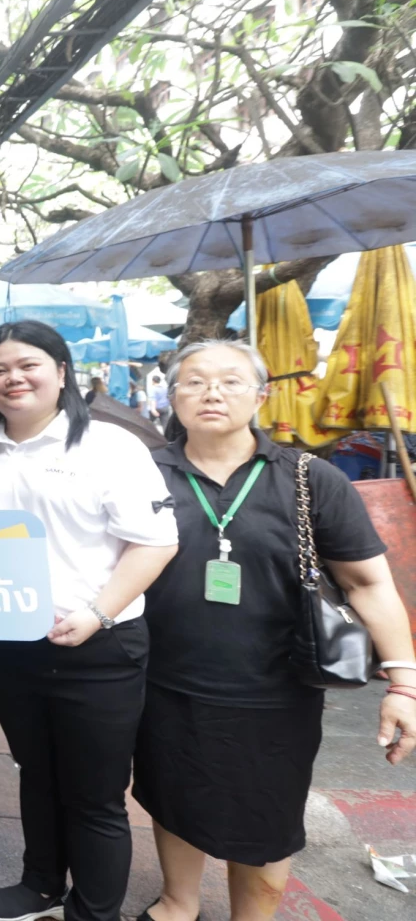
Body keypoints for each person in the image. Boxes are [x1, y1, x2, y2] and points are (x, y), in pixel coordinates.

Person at [135, 340, 416, 921]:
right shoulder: (143, 475)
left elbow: (368, 583)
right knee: (173, 793)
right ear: (173, 395)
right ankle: (177, 903)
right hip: (164, 680)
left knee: (268, 814)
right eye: (194, 381)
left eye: (232, 381)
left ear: (262, 396)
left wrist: (404, 683)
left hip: (278, 689)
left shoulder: (312, 479)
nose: (212, 392)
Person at [0, 321, 178, 921]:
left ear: (62, 372)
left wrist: (97, 614)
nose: (12, 378)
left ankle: (93, 912)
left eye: (28, 365)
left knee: (95, 795)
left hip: (100, 647)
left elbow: (155, 543)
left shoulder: (109, 446)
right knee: (36, 769)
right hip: (9, 645)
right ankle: (40, 883)